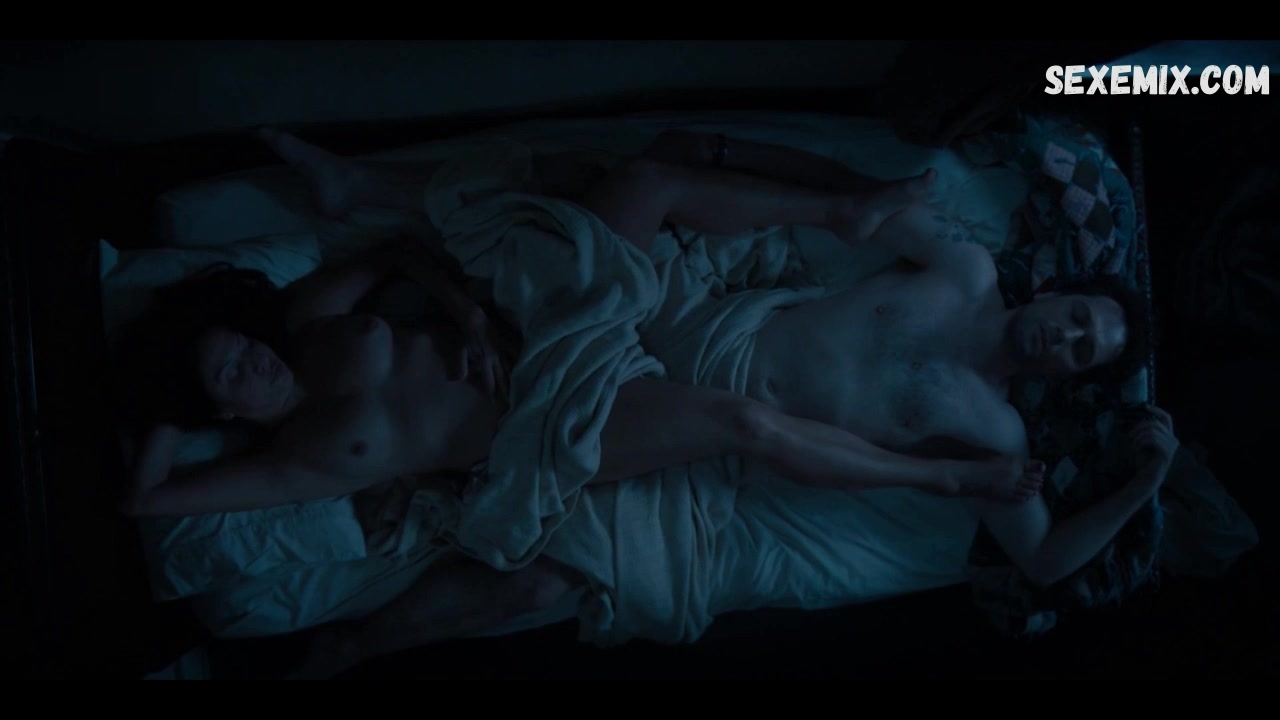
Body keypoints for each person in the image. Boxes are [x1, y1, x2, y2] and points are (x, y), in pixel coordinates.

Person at [118, 127, 1178, 677]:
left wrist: (1145, 478)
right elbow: (844, 201)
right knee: (640, 178)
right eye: (1078, 316)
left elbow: (1047, 562)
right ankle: (359, 185)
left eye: (1081, 351)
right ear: (1060, 294)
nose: (1066, 336)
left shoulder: (993, 426)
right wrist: (819, 194)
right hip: (692, 313)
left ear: (1067, 375)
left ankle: (353, 648)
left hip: (666, 405)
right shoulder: (963, 267)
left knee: (610, 523)